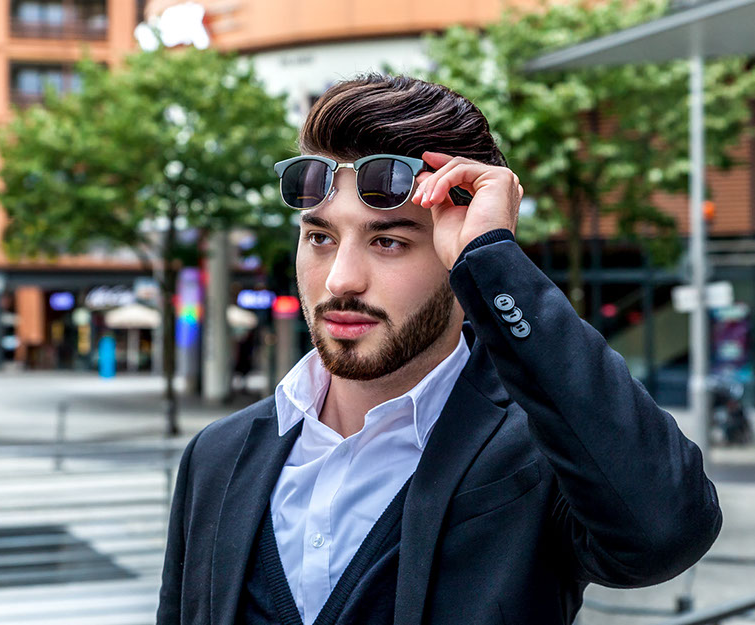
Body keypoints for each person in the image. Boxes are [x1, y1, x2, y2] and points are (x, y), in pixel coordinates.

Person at [157, 75, 721, 625]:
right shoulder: (218, 456)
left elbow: (666, 531)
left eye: (389, 241)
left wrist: (493, 258)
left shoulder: (535, 456)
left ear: (455, 257)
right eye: (320, 238)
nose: (340, 280)